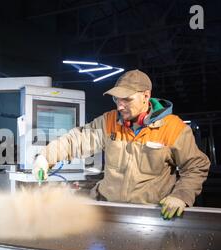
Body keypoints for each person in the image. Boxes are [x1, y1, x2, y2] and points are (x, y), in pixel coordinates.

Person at [33, 69, 210, 220]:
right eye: (116, 99)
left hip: (151, 216)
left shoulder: (173, 128)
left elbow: (196, 166)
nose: (120, 106)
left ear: (146, 96)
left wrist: (180, 196)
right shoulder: (109, 121)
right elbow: (75, 140)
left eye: (126, 99)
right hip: (107, 212)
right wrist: (45, 157)